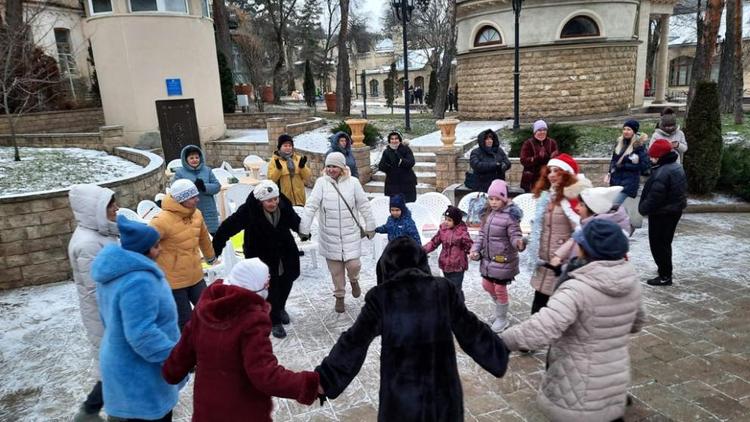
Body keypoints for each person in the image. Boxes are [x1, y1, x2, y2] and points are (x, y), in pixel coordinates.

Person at [315, 237, 510, 421]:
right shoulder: (443, 290)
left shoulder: (382, 297)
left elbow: (354, 341)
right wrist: (498, 351)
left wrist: (326, 379)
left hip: (402, 401)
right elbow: (471, 330)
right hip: (443, 397)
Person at [501, 219, 645, 422]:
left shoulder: (577, 289)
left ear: (586, 249)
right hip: (614, 382)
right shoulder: (631, 282)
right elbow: (637, 323)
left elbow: (542, 328)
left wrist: (505, 340)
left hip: (578, 389)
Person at [162, 258, 321, 422]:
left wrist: (170, 372)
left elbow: (182, 354)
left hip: (207, 406)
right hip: (241, 409)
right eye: (266, 283)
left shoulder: (205, 306)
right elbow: (264, 374)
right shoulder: (251, 320)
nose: (268, 287)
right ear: (255, 286)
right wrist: (307, 384)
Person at [92, 215, 183, 422]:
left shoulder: (114, 273)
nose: (160, 249)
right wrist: (175, 360)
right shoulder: (140, 281)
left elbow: (107, 319)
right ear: (146, 249)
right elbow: (142, 335)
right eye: (157, 245)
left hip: (121, 364)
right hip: (140, 376)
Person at [212, 180, 303, 339]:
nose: (273, 203)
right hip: (261, 255)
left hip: (284, 251)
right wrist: (216, 247)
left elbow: (294, 220)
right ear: (261, 201)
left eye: (275, 199)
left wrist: (303, 232)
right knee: (270, 287)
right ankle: (274, 320)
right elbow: (228, 227)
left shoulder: (283, 205)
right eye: (269, 200)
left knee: (287, 280)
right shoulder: (249, 210)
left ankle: (280, 307)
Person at [300, 152, 376, 313]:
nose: (331, 169)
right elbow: (311, 206)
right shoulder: (321, 183)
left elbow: (364, 205)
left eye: (334, 166)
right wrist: (304, 228)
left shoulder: (353, 183)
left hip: (350, 232)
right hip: (329, 235)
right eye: (328, 166)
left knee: (354, 265)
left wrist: (370, 225)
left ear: (342, 167)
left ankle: (354, 280)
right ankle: (340, 296)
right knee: (336, 271)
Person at [68, 184, 119, 422]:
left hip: (108, 312)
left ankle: (105, 411)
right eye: (110, 205)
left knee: (113, 365)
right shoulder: (88, 244)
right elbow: (96, 289)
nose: (116, 208)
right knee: (111, 366)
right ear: (94, 209)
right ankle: (91, 410)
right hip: (102, 316)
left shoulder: (101, 233)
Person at [150, 179, 216, 331]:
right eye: (193, 197)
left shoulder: (197, 214)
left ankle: (208, 343)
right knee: (186, 322)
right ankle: (188, 351)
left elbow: (203, 237)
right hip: (174, 282)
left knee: (207, 311)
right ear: (182, 199)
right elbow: (144, 246)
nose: (197, 199)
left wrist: (210, 256)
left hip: (196, 275)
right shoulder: (161, 221)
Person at [526, 154, 581, 315]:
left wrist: (560, 254)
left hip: (561, 265)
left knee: (557, 310)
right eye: (549, 171)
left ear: (567, 174)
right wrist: (527, 241)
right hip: (545, 262)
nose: (551, 174)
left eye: (557, 171)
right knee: (538, 309)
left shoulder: (572, 200)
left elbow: (581, 232)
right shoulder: (547, 197)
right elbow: (539, 228)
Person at [469, 180, 525, 332]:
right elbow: (481, 235)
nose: (493, 202)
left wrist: (519, 243)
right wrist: (475, 249)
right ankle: (501, 309)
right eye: (491, 198)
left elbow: (515, 236)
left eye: (497, 199)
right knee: (486, 285)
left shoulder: (510, 217)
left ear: (504, 198)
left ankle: (502, 317)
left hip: (503, 261)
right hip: (488, 260)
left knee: (500, 288)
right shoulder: (487, 214)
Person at [639, 139, 687, 286]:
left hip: (662, 213)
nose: (651, 159)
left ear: (660, 156)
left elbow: (655, 197)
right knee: (665, 243)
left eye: (653, 156)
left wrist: (643, 209)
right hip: (673, 210)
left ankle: (665, 275)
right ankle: (664, 269)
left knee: (658, 244)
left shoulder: (663, 172)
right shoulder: (675, 166)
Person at [553, 185, 632, 264]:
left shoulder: (600, 231)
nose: (576, 208)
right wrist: (559, 255)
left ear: (593, 208)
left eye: (581, 205)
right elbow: (576, 238)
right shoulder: (592, 224)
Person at [423, 205, 473, 295]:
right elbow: (434, 242)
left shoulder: (462, 233)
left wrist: (473, 252)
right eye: (445, 219)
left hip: (457, 267)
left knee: (455, 291)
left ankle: (457, 306)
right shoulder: (443, 230)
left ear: (456, 221)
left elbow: (470, 245)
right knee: (447, 289)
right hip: (445, 265)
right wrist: (422, 250)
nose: (446, 222)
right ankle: (448, 306)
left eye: (449, 220)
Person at [173, 144, 221, 235]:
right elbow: (175, 190)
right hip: (190, 210)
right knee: (195, 236)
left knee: (211, 237)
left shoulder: (207, 170)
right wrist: (191, 188)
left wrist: (204, 187)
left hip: (208, 209)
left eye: (197, 157)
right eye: (191, 158)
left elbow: (217, 186)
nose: (195, 160)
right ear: (185, 159)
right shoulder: (180, 173)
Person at [607, 120, 650, 207]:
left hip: (629, 183)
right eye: (624, 129)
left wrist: (625, 166)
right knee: (617, 208)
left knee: (613, 206)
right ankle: (625, 220)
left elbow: (645, 166)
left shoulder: (639, 146)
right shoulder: (619, 142)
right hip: (616, 181)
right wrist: (610, 171)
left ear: (634, 131)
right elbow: (614, 159)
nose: (625, 132)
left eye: (629, 129)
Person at [268, 134, 312, 207]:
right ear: (280, 147)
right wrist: (278, 170)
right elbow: (271, 180)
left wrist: (302, 167)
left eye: (290, 146)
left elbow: (307, 177)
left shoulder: (298, 159)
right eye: (285, 146)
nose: (288, 148)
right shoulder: (274, 161)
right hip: (284, 200)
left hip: (299, 199)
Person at [378, 131, 418, 203]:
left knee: (408, 204)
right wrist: (388, 166)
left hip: (407, 183)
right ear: (389, 140)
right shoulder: (387, 151)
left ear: (399, 140)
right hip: (392, 184)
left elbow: (411, 162)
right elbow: (381, 166)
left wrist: (400, 159)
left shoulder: (406, 149)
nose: (394, 141)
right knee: (395, 206)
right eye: (392, 139)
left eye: (396, 138)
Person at [520, 120, 559, 192]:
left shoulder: (552, 142)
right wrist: (537, 158)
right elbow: (523, 160)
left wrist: (552, 157)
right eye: (539, 130)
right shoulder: (528, 143)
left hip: (547, 178)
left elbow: (556, 160)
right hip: (532, 179)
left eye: (544, 130)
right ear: (535, 132)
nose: (542, 132)